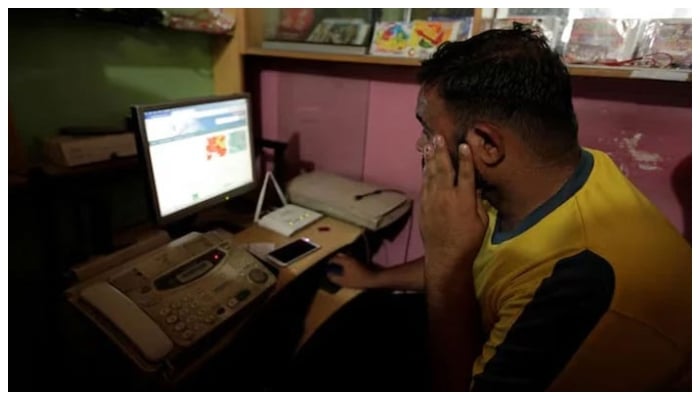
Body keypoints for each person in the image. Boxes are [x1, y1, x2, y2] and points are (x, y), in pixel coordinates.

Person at [287, 28, 691, 391]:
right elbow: (482, 262)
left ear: (487, 145)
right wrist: (375, 276)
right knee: (357, 320)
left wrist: (445, 257)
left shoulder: (579, 279)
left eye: (428, 131)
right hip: (488, 331)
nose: (420, 146)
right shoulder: (553, 174)